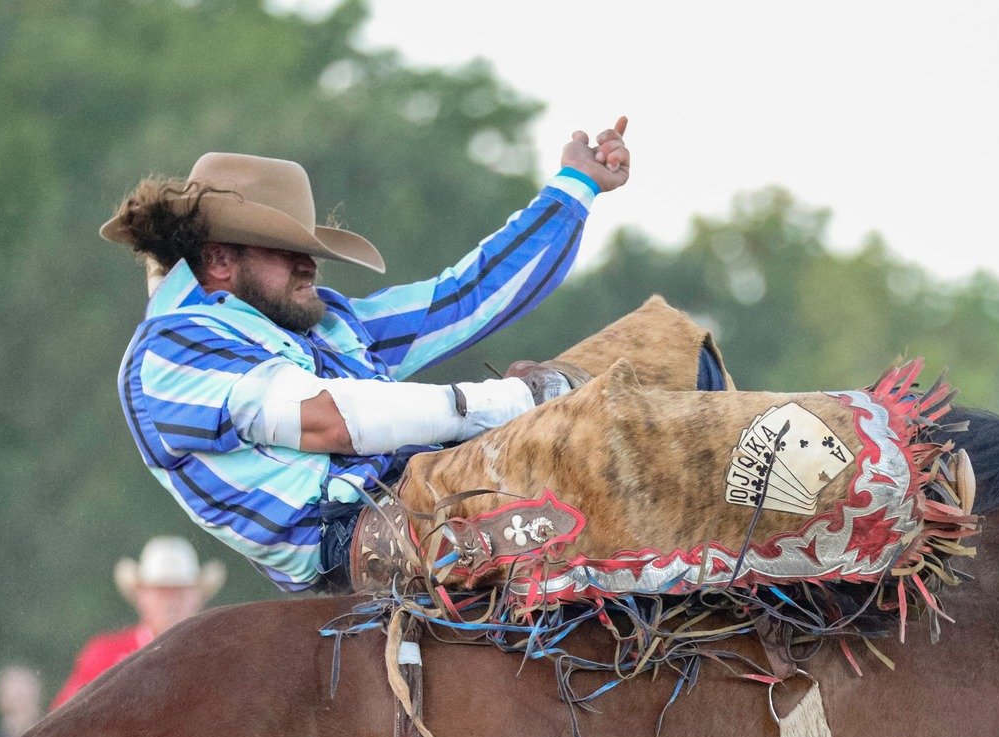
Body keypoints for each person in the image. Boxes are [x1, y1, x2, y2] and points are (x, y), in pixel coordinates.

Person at [102, 124, 630, 591]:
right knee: (621, 466)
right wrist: (517, 400)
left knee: (650, 356)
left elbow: (465, 296)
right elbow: (331, 421)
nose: (308, 264)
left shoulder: (327, 326)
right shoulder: (171, 349)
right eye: (285, 249)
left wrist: (574, 188)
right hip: (356, 533)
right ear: (218, 260)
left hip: (422, 492)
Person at [54, 536, 228, 706]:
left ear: (199, 596)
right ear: (141, 596)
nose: (170, 601)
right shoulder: (104, 654)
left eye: (180, 591)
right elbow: (62, 724)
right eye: (161, 591)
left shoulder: (221, 655)